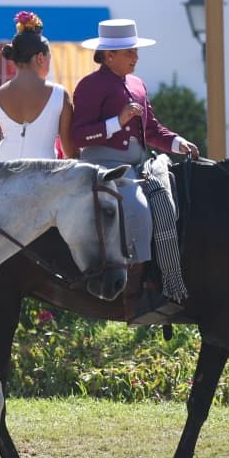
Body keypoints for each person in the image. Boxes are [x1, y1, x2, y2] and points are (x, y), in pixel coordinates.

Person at [72, 19, 198, 317]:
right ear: (108, 55)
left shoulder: (137, 84)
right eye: (129, 51)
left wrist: (179, 143)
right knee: (139, 209)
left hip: (139, 163)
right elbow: (79, 135)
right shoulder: (89, 86)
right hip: (104, 164)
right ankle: (135, 293)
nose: (135, 57)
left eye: (135, 51)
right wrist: (118, 121)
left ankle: (168, 279)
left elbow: (152, 129)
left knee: (175, 199)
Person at [0, 11, 75, 164]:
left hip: (3, 179)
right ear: (40, 58)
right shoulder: (59, 95)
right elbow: (71, 152)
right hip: (43, 179)